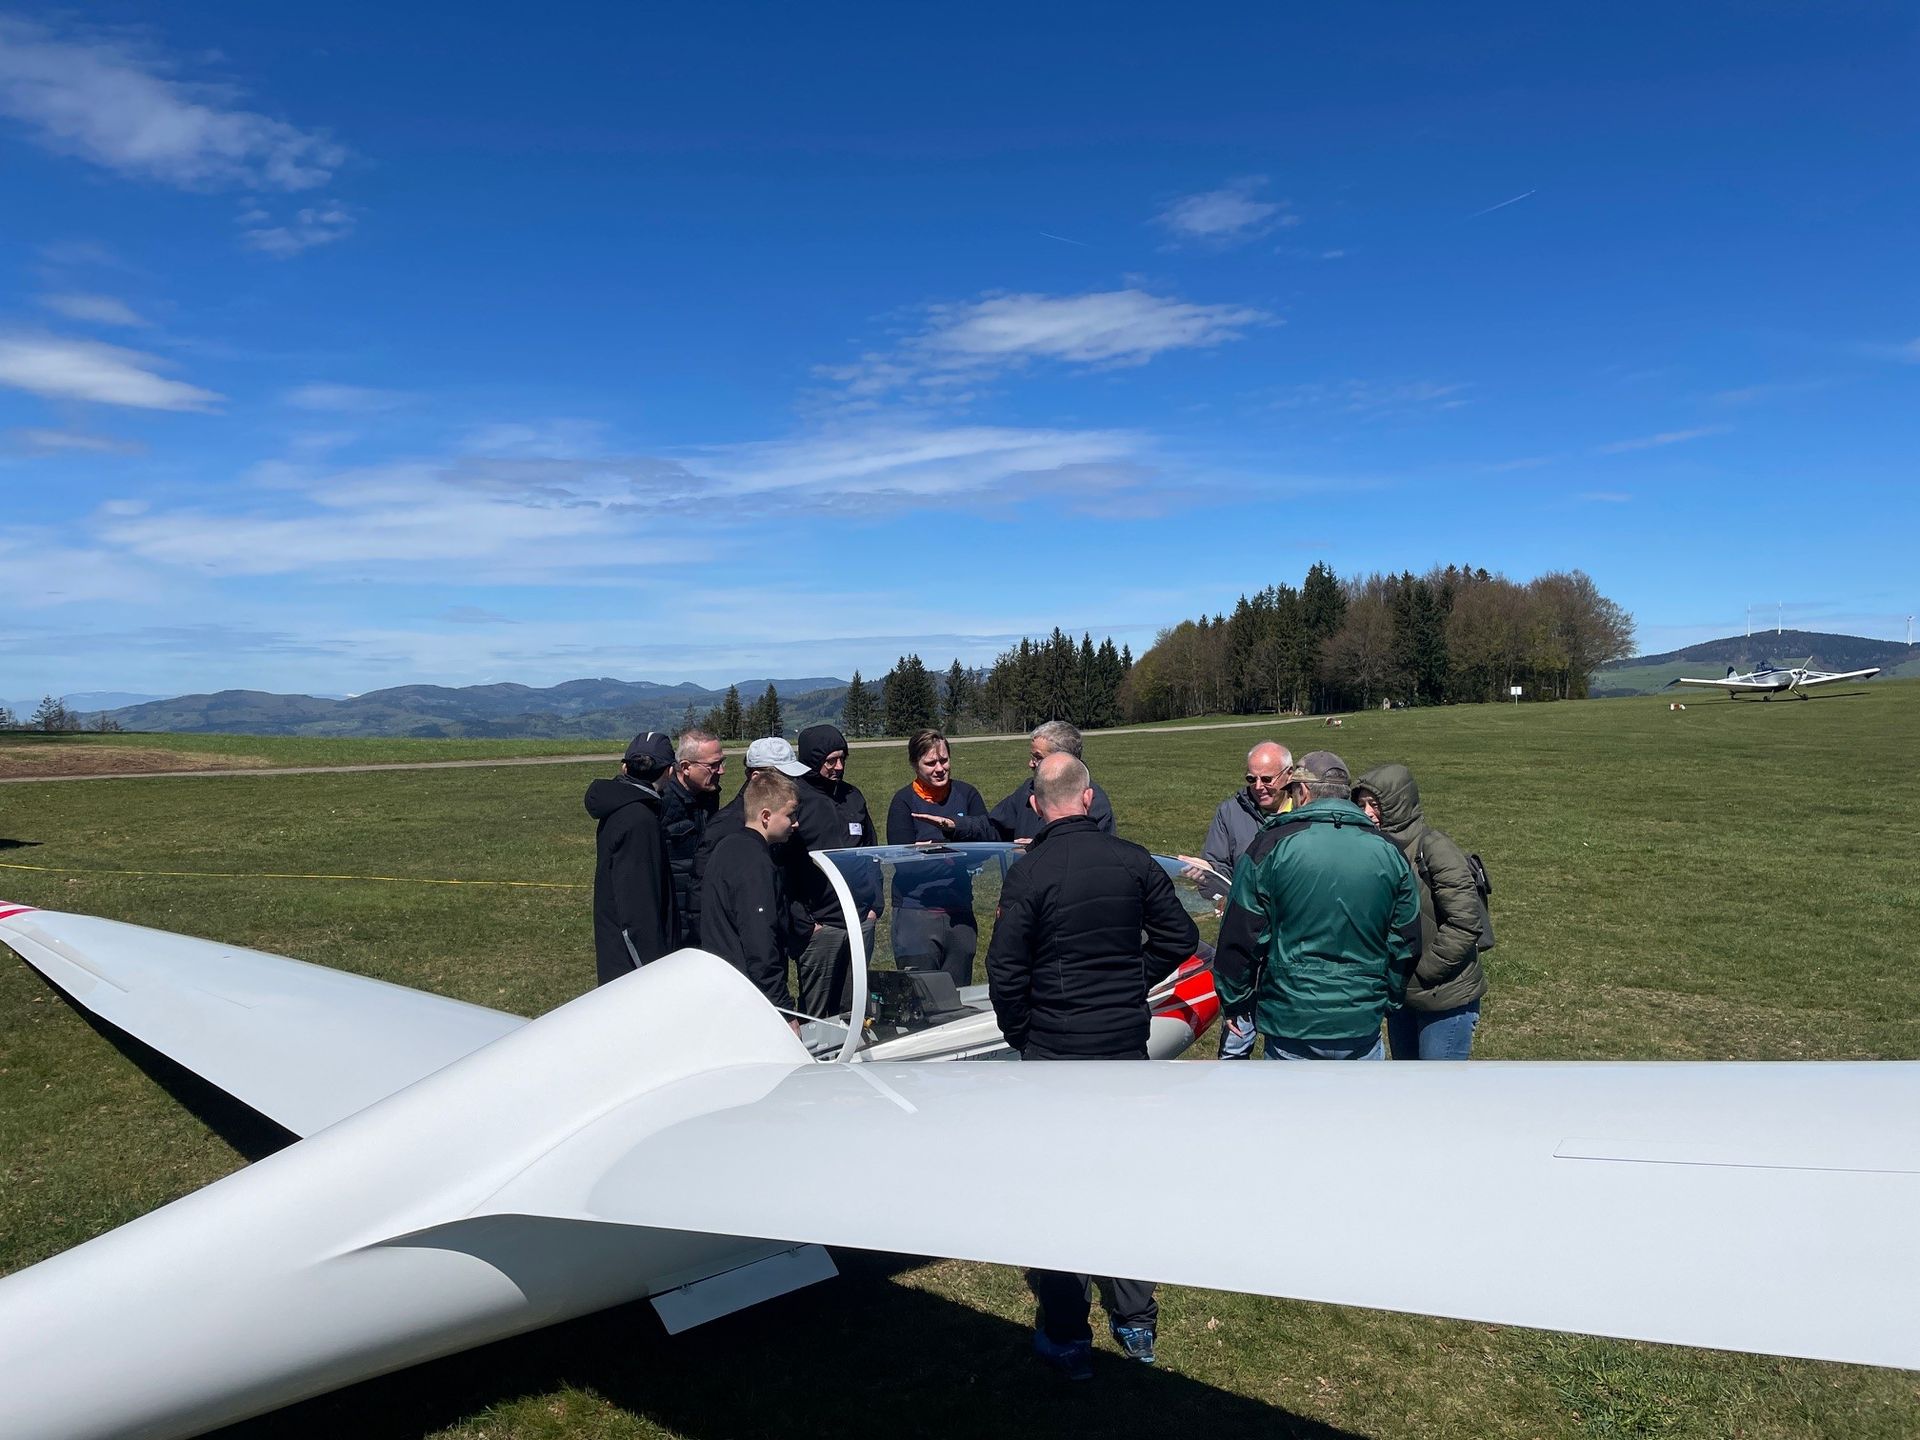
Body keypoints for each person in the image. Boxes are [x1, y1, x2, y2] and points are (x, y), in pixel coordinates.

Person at [986, 752, 1198, 1378]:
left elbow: (1006, 969)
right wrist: (1131, 984)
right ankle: (1135, 1319)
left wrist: (1024, 1033)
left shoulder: (1030, 873)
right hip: (1123, 1046)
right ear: (1088, 797)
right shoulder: (1133, 861)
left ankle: (1066, 1331)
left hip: (1054, 1050)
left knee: (1057, 1185)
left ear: (1035, 805)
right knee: (1123, 1176)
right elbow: (1180, 942)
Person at [1214, 750, 1421, 1061]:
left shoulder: (1271, 845)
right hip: (1360, 1017)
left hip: (1292, 1017)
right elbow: (1406, 939)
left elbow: (1241, 931)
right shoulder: (1388, 851)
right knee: (1357, 1110)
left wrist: (1235, 1001)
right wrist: (1387, 1000)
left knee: (1292, 1110)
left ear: (1304, 791)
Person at [1352, 764, 1488, 1060]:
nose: (1367, 813)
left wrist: (1425, 971)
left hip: (1445, 998)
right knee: (1406, 1093)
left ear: (1398, 804)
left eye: (1375, 805)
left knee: (1437, 1096)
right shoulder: (1371, 851)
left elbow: (1465, 922)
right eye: (1361, 805)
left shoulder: (1435, 848)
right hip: (1401, 996)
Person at [1178, 741, 1294, 1059]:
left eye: (1267, 779)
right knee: (1235, 1046)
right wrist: (1210, 880)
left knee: (1288, 1047)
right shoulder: (1230, 812)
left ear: (1289, 776)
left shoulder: (1304, 811)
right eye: (1251, 779)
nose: (1258, 787)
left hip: (1290, 947)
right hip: (1247, 946)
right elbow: (1216, 873)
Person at [884, 728, 996, 982]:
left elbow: (987, 843)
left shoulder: (967, 794)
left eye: (944, 760)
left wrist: (932, 849)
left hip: (960, 911)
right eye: (930, 763)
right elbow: (907, 866)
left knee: (958, 995)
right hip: (915, 911)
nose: (939, 768)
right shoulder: (903, 802)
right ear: (915, 764)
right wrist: (957, 853)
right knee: (921, 994)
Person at [788, 723, 882, 1019]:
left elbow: (872, 850)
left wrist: (874, 905)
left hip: (860, 919)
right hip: (821, 926)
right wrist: (806, 924)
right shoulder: (795, 800)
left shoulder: (852, 796)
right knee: (818, 1013)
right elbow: (783, 868)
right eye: (830, 760)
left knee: (854, 1007)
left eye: (843, 759)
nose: (839, 767)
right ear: (813, 759)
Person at [699, 769, 802, 1016]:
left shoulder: (728, 847)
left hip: (725, 982)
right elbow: (760, 941)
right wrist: (784, 1011)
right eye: (790, 815)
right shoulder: (755, 863)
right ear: (766, 816)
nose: (795, 823)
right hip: (751, 995)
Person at [583, 731, 678, 986]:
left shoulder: (622, 808)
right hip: (633, 972)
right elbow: (638, 911)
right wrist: (654, 974)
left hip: (618, 957)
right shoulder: (639, 820)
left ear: (625, 767)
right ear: (669, 772)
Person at [988, 720, 1116, 842]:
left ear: (1062, 760)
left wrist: (1038, 848)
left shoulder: (1095, 802)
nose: (1031, 764)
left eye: (1038, 757)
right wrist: (967, 826)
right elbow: (992, 826)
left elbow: (1094, 852)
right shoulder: (1030, 788)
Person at [658, 727, 724, 950]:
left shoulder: (709, 796)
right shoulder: (661, 803)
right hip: (674, 919)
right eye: (713, 765)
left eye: (722, 762)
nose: (721, 771)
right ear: (685, 767)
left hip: (704, 912)